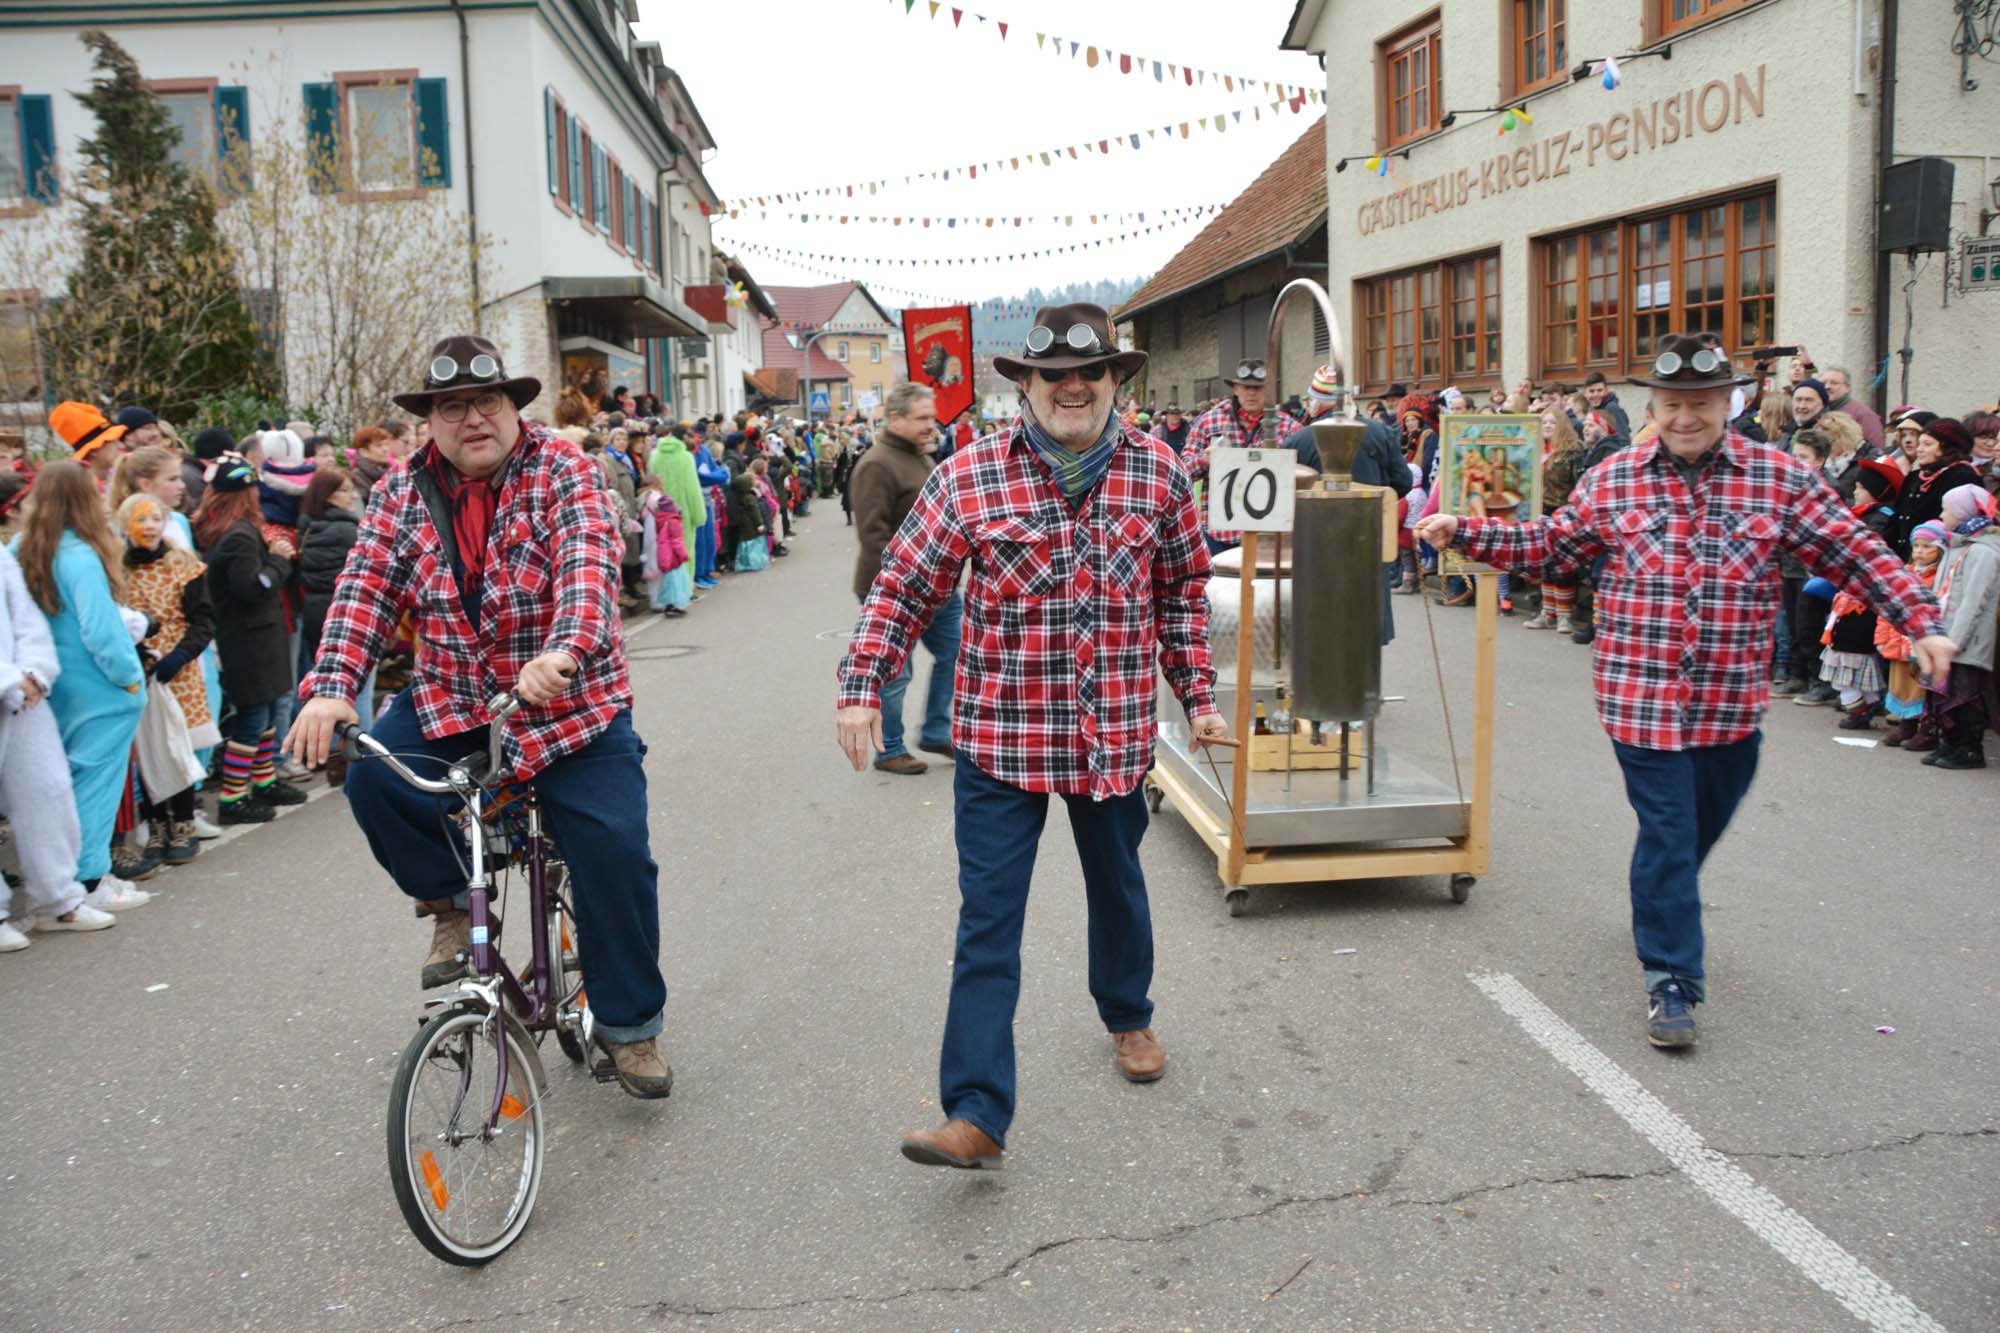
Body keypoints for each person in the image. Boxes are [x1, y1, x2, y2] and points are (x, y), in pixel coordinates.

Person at [1416, 333, 1953, 1052]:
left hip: (1731, 703)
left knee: (1692, 832)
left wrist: (1918, 619)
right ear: (1656, 405)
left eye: (1700, 402)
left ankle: (1658, 897)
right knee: (1669, 832)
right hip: (1640, 698)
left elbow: (1853, 551)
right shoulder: (1613, 479)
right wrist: (1469, 532)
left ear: (1726, 403)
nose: (1685, 417)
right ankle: (1671, 975)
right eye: (1672, 403)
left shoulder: (1779, 479)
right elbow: (1552, 545)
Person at [837, 304, 1226, 1169]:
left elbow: (1182, 594)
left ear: (1117, 380)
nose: (1073, 388)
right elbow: (903, 585)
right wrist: (864, 684)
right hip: (1000, 739)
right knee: (988, 922)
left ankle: (1128, 1013)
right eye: (1054, 375)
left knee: (1119, 887)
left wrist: (1198, 696)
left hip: (1111, 736)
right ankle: (975, 1110)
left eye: (1090, 373)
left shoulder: (1158, 473)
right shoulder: (969, 476)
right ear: (1027, 385)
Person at [286, 335, 671, 1098]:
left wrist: (564, 650)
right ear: (429, 420)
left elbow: (589, 569)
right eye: (452, 406)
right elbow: (364, 589)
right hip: (457, 698)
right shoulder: (400, 491)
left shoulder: (566, 470)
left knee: (614, 850)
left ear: (511, 407)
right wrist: (332, 684)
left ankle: (630, 1027)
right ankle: (448, 901)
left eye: (486, 401)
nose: (472, 419)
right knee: (374, 775)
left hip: (568, 705)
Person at [9, 460, 152, 912]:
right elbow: (101, 631)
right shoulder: (82, 555)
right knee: (96, 784)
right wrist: (129, 679)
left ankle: (66, 880)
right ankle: (88, 878)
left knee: (60, 785)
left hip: (51, 684)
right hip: (100, 687)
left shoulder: (20, 548)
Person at [0, 537, 116, 948]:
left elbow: (25, 619)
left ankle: (58, 899)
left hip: (23, 694)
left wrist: (33, 672)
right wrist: (10, 678)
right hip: (12, 684)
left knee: (48, 790)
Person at [848, 381, 961, 775]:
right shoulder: (877, 464)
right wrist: (903, 586)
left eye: (932, 417)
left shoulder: (920, 456)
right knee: (897, 672)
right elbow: (873, 535)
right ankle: (889, 748)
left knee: (958, 654)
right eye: (922, 418)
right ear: (895, 419)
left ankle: (936, 730)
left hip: (940, 587)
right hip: (897, 589)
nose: (931, 425)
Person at [196, 458, 306, 823]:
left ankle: (264, 780)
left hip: (254, 638)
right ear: (246, 494)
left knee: (265, 709)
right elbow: (253, 587)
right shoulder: (240, 536)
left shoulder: (230, 529)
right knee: (253, 715)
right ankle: (232, 797)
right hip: (249, 640)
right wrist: (278, 561)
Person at [118, 493, 216, 865]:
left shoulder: (183, 563)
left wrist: (180, 655)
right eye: (141, 520)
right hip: (139, 666)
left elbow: (203, 619)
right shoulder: (118, 568)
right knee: (149, 749)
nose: (150, 527)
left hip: (180, 666)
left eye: (156, 518)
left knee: (180, 746)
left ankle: (185, 824)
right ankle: (157, 826)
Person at [1285, 365, 1410, 642]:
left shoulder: (1300, 440)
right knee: (1367, 632)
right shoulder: (1379, 432)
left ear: (1317, 402)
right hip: (1371, 540)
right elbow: (1403, 482)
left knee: (1323, 632)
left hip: (1319, 546)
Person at [1182, 358, 1301, 553]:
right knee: (1217, 584)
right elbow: (1182, 473)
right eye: (1246, 387)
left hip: (1269, 534)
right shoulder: (1208, 422)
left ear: (1270, 390)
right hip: (1219, 534)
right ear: (1236, 389)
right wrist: (1204, 460)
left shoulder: (1288, 427)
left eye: (1258, 388)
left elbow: (1303, 477)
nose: (1251, 393)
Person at [1922, 485, 2000, 769]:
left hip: (1969, 640)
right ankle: (1951, 743)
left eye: (1947, 510)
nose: (1942, 515)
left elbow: (1973, 603)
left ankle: (1969, 748)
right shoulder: (1956, 546)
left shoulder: (1983, 553)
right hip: (1948, 633)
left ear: (1963, 513)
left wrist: (1954, 640)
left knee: (1966, 697)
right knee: (1947, 691)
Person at [1890, 418, 1984, 558]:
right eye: (1920, 444)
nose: (1919, 449)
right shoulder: (1915, 477)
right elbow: (1896, 519)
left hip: (1937, 558)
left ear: (1946, 448)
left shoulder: (1962, 477)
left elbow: (1958, 526)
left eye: (1927, 444)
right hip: (1905, 559)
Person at [47, 401, 127, 490]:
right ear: (94, 451)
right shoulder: (79, 493)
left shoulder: (122, 482)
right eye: (114, 442)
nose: (122, 446)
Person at [1820, 366, 1886, 452]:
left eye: (1834, 383)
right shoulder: (1818, 411)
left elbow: (1876, 450)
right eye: (1823, 383)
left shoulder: (1864, 415)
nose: (1827, 387)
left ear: (1847, 387)